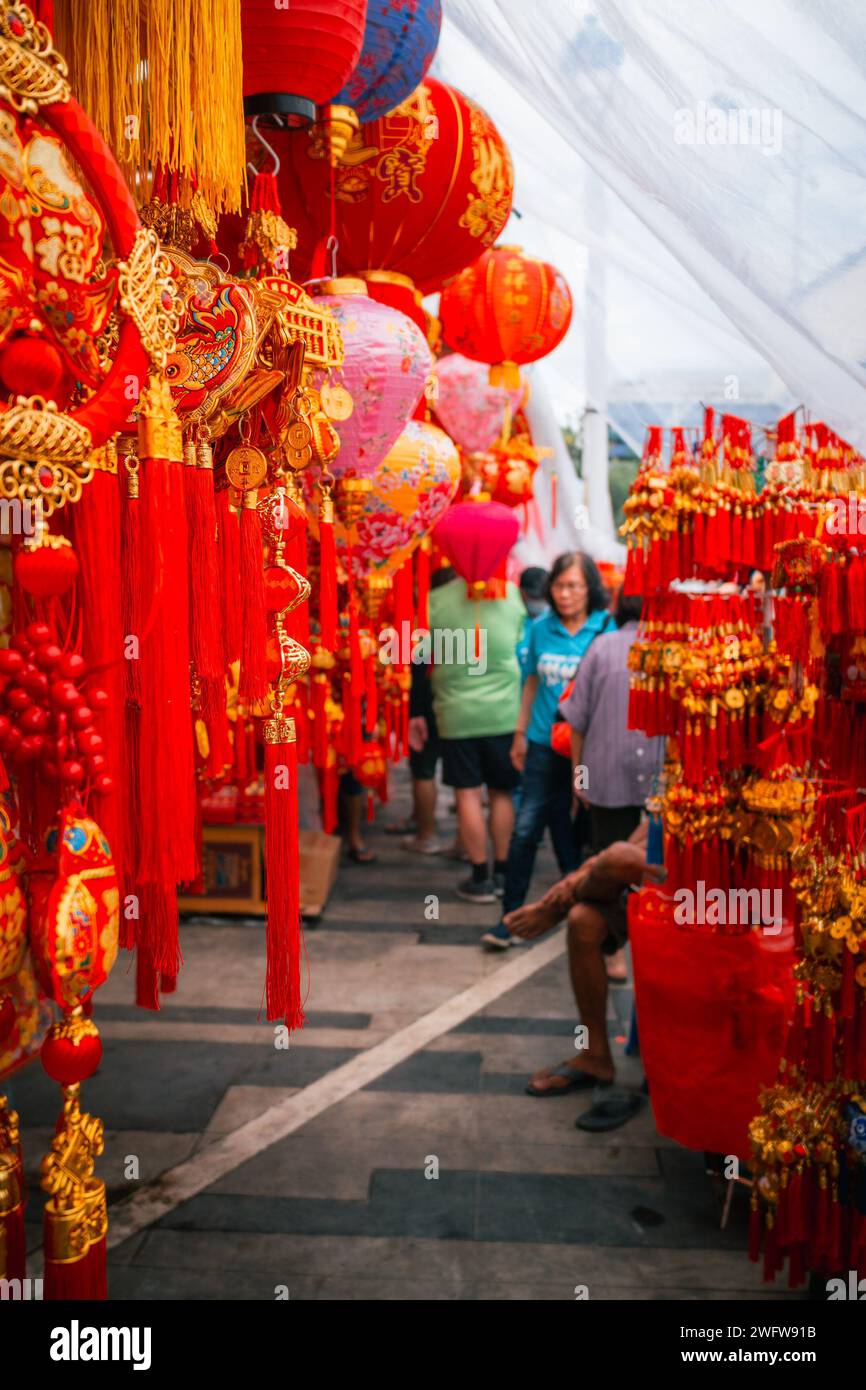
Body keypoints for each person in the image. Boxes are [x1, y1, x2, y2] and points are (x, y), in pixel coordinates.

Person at [482, 552, 613, 948]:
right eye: (559, 586)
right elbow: (532, 683)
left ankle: (581, 914)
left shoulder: (603, 630)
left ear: (590, 588)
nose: (566, 594)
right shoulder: (540, 629)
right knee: (526, 829)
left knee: (578, 832)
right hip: (542, 744)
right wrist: (520, 734)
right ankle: (511, 917)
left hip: (588, 750)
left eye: (574, 586)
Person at [502, 827, 665, 1127]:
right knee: (584, 920)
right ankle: (595, 1056)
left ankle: (556, 905)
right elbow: (646, 831)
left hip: (722, 891)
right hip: (661, 882)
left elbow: (622, 857)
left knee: (618, 859)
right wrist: (578, 877)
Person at [560, 589, 665, 979]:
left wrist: (579, 775)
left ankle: (612, 952)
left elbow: (578, 719)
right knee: (652, 863)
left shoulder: (601, 647)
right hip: (660, 777)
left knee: (608, 862)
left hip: (607, 773)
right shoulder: (672, 648)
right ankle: (648, 939)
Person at [429, 569, 525, 903]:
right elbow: (521, 647)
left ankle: (480, 877)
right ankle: (502, 871)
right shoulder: (512, 596)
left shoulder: (436, 601)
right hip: (504, 712)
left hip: (457, 714)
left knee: (467, 794)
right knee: (502, 792)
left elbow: (423, 654)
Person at [516, 566, 549, 677]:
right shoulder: (513, 621)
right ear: (520, 591)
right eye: (533, 597)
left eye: (542, 597)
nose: (538, 602)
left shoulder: (551, 623)